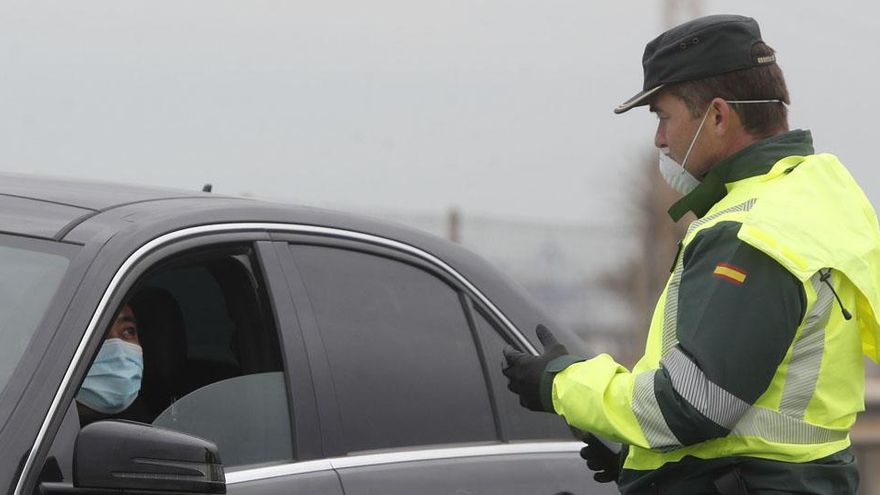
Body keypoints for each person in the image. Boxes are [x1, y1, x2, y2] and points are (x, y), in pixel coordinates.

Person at [503, 14, 880, 494]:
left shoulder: (751, 233)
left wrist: (559, 383)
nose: (660, 140)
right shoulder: (812, 197)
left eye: (664, 117)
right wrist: (643, 458)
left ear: (719, 117)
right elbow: (754, 402)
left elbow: (695, 402)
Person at [76, 303, 150, 426]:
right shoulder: (40, 432)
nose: (118, 349)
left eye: (128, 331)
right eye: (96, 335)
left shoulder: (155, 429)